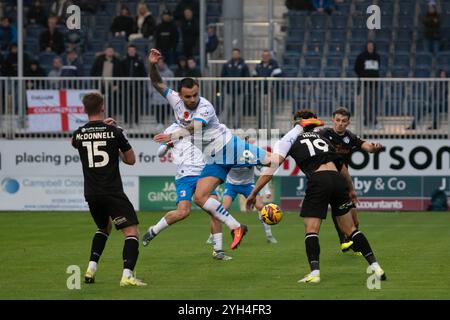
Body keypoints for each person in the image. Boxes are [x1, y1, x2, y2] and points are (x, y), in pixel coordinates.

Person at [148, 48, 273, 250]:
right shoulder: (175, 100)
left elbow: (194, 127)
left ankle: (299, 134)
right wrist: (152, 65)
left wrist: (171, 136)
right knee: (199, 197)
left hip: (229, 147)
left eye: (195, 95)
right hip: (214, 158)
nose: (192, 99)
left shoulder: (205, 106)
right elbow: (157, 82)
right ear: (180, 95)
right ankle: (236, 227)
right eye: (188, 96)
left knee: (272, 160)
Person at [246, 109, 387, 284]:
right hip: (337, 180)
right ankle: (375, 266)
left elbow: (271, 169)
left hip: (319, 180)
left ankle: (314, 273)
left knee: (312, 229)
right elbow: (342, 168)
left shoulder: (288, 139)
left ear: (296, 123)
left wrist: (253, 193)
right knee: (351, 230)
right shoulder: (323, 137)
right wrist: (350, 189)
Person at [71, 92, 146, 286]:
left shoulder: (78, 133)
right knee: (131, 232)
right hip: (112, 191)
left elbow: (75, 142)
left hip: (91, 192)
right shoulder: (115, 132)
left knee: (104, 227)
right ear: (102, 106)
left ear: (84, 109)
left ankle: (91, 268)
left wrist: (100, 127)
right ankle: (127, 276)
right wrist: (115, 136)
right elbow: (131, 160)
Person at [143, 123, 232, 260]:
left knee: (215, 210)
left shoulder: (201, 123)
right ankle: (154, 230)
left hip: (204, 174)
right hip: (184, 176)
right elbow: (160, 153)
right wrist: (167, 145)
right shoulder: (172, 129)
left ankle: (218, 251)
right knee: (183, 212)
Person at [316, 107, 383, 253]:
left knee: (354, 219)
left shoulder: (349, 137)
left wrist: (374, 147)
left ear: (348, 122)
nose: (340, 123)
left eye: (343, 121)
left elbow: (366, 146)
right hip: (326, 177)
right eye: (338, 120)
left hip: (343, 178)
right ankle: (343, 240)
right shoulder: (323, 134)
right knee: (337, 206)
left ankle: (354, 243)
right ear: (333, 120)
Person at [206, 163, 278, 245]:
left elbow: (264, 171)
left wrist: (267, 190)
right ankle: (212, 235)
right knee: (222, 210)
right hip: (231, 186)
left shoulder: (251, 156)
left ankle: (269, 235)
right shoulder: (230, 157)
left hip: (248, 185)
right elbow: (219, 171)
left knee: (260, 207)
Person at [220, 48, 250, 127]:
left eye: (237, 53)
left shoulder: (244, 65)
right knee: (226, 108)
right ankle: (223, 126)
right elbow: (222, 76)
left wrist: (244, 88)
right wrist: (222, 88)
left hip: (239, 91)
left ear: (239, 54)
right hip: (229, 90)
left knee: (238, 109)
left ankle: (237, 126)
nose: (235, 55)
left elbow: (247, 77)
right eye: (234, 53)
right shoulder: (227, 65)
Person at [354, 41, 380, 128]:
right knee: (366, 103)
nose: (370, 48)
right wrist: (364, 76)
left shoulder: (377, 56)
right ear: (366, 47)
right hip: (365, 85)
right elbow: (356, 69)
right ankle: (366, 122)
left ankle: (374, 122)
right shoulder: (361, 56)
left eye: (372, 46)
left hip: (375, 85)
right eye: (369, 46)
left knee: (374, 103)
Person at [120, 44, 147, 126]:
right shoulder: (123, 61)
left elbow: (144, 74)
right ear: (127, 51)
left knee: (136, 105)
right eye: (130, 50)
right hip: (126, 87)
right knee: (126, 104)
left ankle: (136, 121)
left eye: (133, 50)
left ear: (135, 51)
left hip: (136, 87)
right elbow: (120, 73)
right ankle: (126, 122)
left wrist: (141, 85)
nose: (131, 52)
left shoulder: (139, 61)